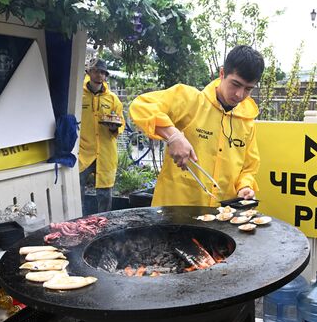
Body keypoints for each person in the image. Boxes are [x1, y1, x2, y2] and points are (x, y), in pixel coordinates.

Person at [129, 45, 265, 207]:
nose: (239, 94)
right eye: (235, 84)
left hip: (220, 217)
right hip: (175, 212)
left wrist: (245, 186)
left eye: (248, 89)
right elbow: (141, 105)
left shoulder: (246, 121)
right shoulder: (190, 100)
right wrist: (173, 135)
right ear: (222, 74)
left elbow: (249, 167)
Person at [79, 58, 125, 214]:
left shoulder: (112, 99)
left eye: (102, 72)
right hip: (84, 150)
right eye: (96, 71)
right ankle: (79, 222)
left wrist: (114, 128)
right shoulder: (78, 96)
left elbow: (121, 122)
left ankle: (103, 223)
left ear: (106, 75)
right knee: (77, 187)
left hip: (106, 152)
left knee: (105, 193)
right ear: (89, 72)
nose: (99, 74)